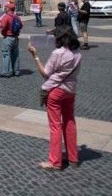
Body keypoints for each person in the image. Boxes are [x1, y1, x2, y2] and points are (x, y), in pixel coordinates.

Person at [27, 26, 81, 171]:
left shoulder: (58, 53)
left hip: (56, 91)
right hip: (71, 91)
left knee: (55, 126)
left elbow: (45, 73)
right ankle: (73, 157)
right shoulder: (77, 53)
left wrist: (35, 55)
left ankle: (55, 162)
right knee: (70, 122)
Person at [0, 3, 22, 78]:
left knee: (6, 54)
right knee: (15, 54)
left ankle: (6, 72)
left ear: (9, 9)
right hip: (16, 38)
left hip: (8, 38)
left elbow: (2, 26)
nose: (5, 8)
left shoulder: (6, 16)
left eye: (6, 7)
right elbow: (21, 26)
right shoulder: (17, 17)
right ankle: (16, 71)